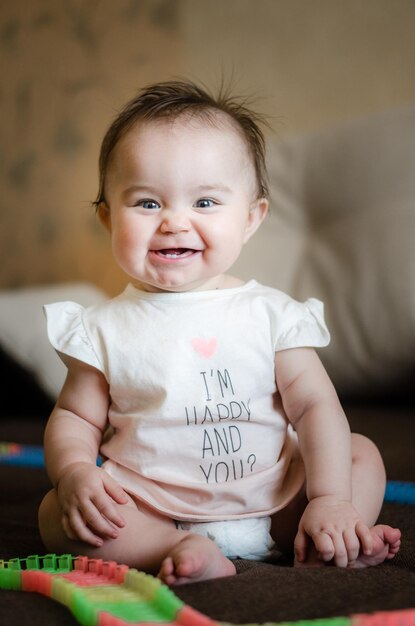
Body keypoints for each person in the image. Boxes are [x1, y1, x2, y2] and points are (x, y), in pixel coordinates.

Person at [38, 80, 401, 585]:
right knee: (58, 513)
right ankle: (180, 549)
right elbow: (76, 416)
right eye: (146, 203)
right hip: (154, 506)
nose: (174, 222)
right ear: (107, 217)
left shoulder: (272, 314)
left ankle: (331, 529)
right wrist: (75, 471)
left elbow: (316, 407)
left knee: (361, 454)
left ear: (251, 218)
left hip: (278, 499)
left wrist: (330, 496)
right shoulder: (101, 328)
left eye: (205, 202)